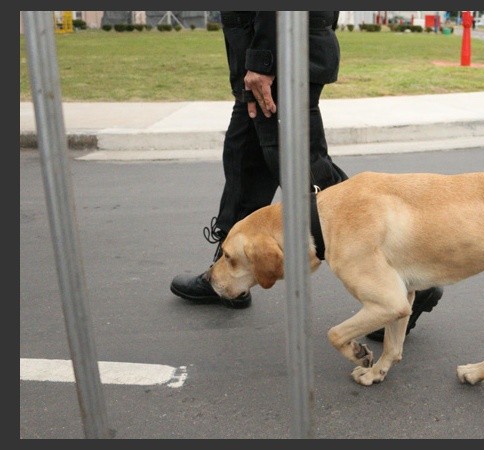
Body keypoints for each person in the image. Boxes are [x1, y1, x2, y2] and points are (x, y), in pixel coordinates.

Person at [169, 11, 442, 341]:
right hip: (266, 52)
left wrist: (263, 60)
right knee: (244, 159)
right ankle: (229, 272)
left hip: (278, 55)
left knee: (316, 187)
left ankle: (406, 279)